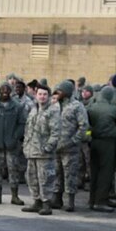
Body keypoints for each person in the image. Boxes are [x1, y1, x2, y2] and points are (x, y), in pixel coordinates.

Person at [84, 79, 116, 214]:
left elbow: (86, 126)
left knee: (94, 171)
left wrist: (89, 135)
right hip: (108, 142)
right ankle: (100, 201)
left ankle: (92, 199)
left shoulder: (90, 108)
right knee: (106, 172)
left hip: (94, 141)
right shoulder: (113, 109)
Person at [50, 79, 87, 211]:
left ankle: (70, 201)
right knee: (56, 173)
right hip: (55, 146)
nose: (57, 93)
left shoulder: (77, 106)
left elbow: (83, 126)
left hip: (70, 148)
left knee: (70, 174)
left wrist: (74, 140)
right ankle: (56, 198)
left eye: (60, 91)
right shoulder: (54, 104)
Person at [23, 83, 57, 215]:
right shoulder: (33, 109)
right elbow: (28, 129)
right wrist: (26, 146)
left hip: (44, 153)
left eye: (45, 94)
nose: (42, 97)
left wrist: (48, 147)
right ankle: (36, 201)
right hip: (31, 151)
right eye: (40, 94)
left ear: (48, 96)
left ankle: (46, 203)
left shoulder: (52, 111)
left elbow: (55, 133)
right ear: (36, 95)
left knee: (45, 178)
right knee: (31, 177)